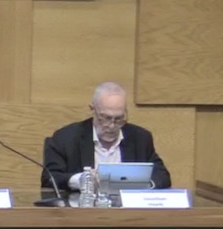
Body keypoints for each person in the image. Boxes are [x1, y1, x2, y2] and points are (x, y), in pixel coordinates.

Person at [42, 81, 171, 190]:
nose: (111, 125)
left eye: (119, 119)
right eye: (105, 118)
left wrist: (142, 184)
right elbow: (49, 178)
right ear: (92, 110)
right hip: (82, 210)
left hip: (128, 209)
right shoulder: (66, 138)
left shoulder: (140, 138)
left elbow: (162, 176)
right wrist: (80, 180)